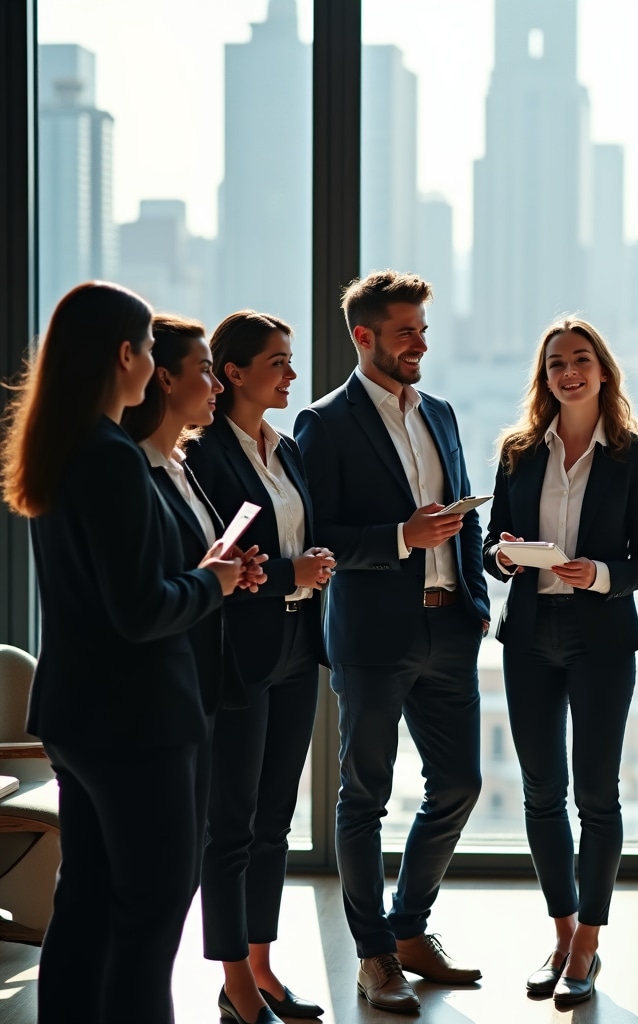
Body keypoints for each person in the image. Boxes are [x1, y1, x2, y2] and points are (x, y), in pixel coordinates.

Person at [0, 281, 242, 1024]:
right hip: (138, 723)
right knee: (148, 920)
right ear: (127, 356)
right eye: (146, 348)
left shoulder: (65, 447)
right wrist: (212, 582)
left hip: (81, 717)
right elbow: (141, 612)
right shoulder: (111, 459)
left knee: (88, 905)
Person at [295, 270, 490, 1015]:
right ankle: (374, 957)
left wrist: (473, 599)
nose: (421, 344)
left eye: (423, 330)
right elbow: (317, 534)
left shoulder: (439, 411)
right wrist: (399, 538)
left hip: (450, 628)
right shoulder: (324, 422)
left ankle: (409, 928)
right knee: (364, 795)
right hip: (374, 635)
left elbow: (465, 516)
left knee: (459, 784)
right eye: (407, 331)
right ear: (364, 337)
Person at [482, 318, 638, 1006]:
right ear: (545, 376)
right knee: (540, 792)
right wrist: (502, 555)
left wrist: (603, 575)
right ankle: (560, 934)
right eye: (557, 363)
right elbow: (487, 548)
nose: (569, 372)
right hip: (529, 633)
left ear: (603, 371)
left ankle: (589, 941)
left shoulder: (633, 454)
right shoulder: (519, 452)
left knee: (596, 794)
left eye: (581, 359)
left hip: (600, 636)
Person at [186, 310, 335, 1024]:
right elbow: (217, 563)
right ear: (233, 373)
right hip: (241, 654)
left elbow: (302, 531)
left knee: (275, 818)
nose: (291, 374)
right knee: (232, 824)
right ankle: (234, 982)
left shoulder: (286, 447)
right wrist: (289, 572)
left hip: (299, 649)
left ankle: (264, 966)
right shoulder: (206, 453)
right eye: (277, 362)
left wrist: (317, 566)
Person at [121, 313, 266, 863]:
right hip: (155, 697)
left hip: (196, 688)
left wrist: (227, 572)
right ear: (163, 379)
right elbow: (144, 596)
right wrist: (210, 580)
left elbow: (184, 565)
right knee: (164, 868)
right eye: (206, 371)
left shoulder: (180, 464)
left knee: (183, 865)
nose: (218, 386)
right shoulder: (133, 469)